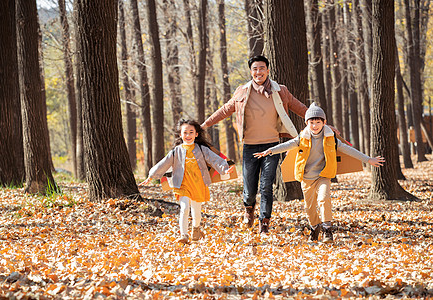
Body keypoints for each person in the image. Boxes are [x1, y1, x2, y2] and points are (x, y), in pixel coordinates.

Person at [201, 55, 308, 234]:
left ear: (267, 70)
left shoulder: (280, 91)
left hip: (272, 146)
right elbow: (225, 110)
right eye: (255, 69)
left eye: (261, 68)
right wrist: (204, 125)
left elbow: (299, 107)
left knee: (266, 185)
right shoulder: (242, 91)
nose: (258, 72)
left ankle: (264, 221)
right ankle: (249, 208)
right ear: (251, 72)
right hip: (250, 146)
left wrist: (319, 120)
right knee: (250, 188)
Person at [253, 103, 385, 243]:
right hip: (306, 177)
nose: (315, 125)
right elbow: (287, 145)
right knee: (309, 208)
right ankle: (315, 227)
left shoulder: (330, 137)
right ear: (306, 123)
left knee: (324, 198)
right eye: (311, 122)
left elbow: (348, 149)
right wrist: (270, 150)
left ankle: (327, 230)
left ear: (324, 122)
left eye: (318, 122)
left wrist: (368, 159)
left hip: (323, 175)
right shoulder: (302, 137)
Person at [139, 119, 233, 244]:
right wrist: (151, 176)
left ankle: (196, 227)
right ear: (180, 134)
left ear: (196, 134)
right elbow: (164, 163)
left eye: (191, 132)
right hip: (182, 184)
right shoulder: (176, 151)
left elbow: (214, 159)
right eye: (185, 132)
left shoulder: (201, 149)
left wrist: (225, 169)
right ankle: (184, 235)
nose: (188, 135)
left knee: (196, 210)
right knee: (184, 208)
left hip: (198, 184)